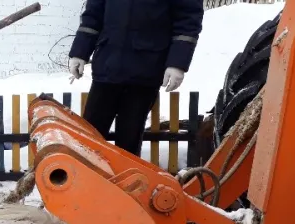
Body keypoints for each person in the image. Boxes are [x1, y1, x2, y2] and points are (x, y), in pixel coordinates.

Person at [67, 0, 203, 156]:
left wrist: (177, 63)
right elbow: (93, 14)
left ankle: (126, 179)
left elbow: (188, 20)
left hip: (145, 71)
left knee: (128, 144)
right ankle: (85, 178)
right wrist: (80, 51)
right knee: (89, 139)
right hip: (107, 66)